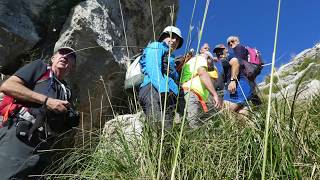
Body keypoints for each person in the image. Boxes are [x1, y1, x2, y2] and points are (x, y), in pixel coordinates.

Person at [0, 46, 79, 179]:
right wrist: (47, 101)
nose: (65, 56)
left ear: (73, 66)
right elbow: (8, 86)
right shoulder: (40, 68)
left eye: (70, 56)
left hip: (43, 146)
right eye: (62, 53)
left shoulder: (67, 90)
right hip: (20, 135)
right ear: (53, 58)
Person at [139, 26, 184, 128]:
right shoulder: (156, 46)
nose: (174, 41)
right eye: (171, 37)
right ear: (163, 37)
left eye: (177, 40)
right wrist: (163, 89)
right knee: (158, 125)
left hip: (167, 95)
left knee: (167, 129)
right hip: (154, 89)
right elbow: (153, 67)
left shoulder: (171, 59)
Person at [180, 43, 222, 128]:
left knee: (197, 122)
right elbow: (202, 73)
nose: (210, 61)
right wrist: (215, 94)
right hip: (192, 92)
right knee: (194, 122)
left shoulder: (196, 61)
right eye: (209, 58)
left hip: (195, 94)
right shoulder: (200, 58)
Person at [213, 41, 253, 115]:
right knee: (242, 115)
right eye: (217, 52)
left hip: (238, 87)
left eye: (221, 51)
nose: (219, 53)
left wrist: (233, 81)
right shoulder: (225, 61)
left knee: (226, 111)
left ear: (226, 50)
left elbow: (235, 63)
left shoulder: (229, 56)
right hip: (242, 88)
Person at [227, 36, 262, 106]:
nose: (231, 43)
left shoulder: (238, 48)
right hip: (249, 73)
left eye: (232, 41)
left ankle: (258, 109)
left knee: (249, 93)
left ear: (237, 42)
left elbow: (238, 61)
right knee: (252, 92)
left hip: (245, 73)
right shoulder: (241, 49)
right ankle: (260, 109)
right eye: (229, 43)